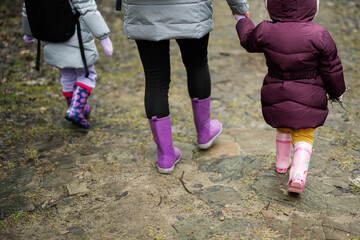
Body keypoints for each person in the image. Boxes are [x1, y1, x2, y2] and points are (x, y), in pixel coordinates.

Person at [122, 0, 249, 174]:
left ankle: (165, 155)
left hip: (144, 11)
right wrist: (239, 7)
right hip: (191, 8)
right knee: (197, 65)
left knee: (155, 79)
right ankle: (204, 132)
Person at [234, 0, 346, 193]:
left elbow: (247, 40)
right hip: (309, 93)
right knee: (304, 133)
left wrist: (241, 19)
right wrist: (337, 92)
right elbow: (332, 68)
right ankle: (298, 175)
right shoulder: (319, 34)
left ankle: (282, 163)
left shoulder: (266, 30)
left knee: (282, 123)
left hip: (276, 89)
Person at [22, 0, 113, 129]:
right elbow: (87, 8)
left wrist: (28, 32)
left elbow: (28, 9)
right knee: (87, 74)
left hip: (49, 37)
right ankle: (75, 110)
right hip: (76, 37)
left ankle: (77, 108)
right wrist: (103, 36)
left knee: (67, 76)